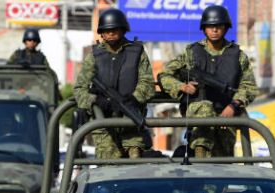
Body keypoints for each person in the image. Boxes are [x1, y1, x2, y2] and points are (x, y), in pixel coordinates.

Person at [157, 5, 259, 158]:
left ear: (225, 28)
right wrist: (182, 86)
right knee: (201, 154)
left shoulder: (238, 55)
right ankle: (199, 154)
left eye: (219, 26)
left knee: (223, 164)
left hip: (225, 115)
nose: (215, 30)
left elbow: (249, 86)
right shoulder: (191, 52)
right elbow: (164, 75)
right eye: (210, 26)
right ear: (204, 28)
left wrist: (233, 105)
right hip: (199, 115)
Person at [73, 8, 155, 159]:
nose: (111, 33)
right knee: (108, 167)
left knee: (135, 161)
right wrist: (97, 101)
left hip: (131, 119)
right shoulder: (94, 56)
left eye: (115, 29)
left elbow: (148, 83)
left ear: (123, 30)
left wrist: (133, 99)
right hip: (103, 122)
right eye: (107, 30)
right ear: (102, 32)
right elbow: (79, 90)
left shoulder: (137, 52)